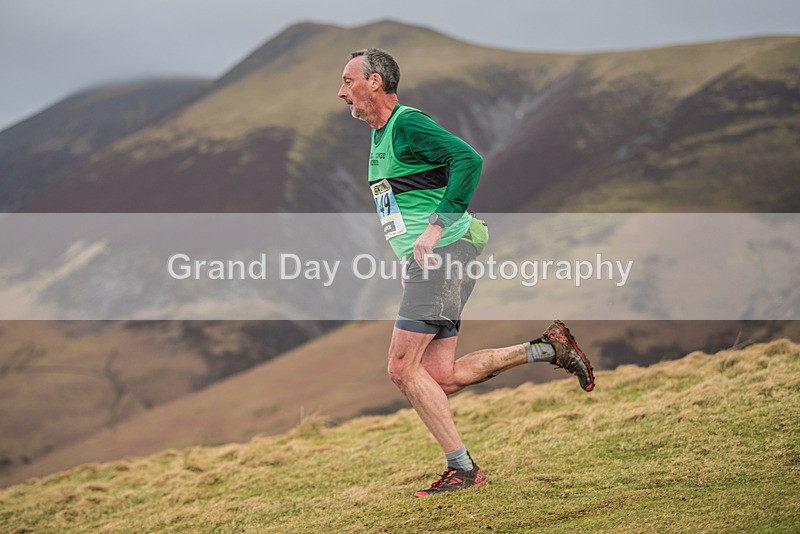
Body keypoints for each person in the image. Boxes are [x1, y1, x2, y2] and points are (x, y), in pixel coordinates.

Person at [338, 48, 595, 497]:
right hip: (437, 257)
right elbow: (402, 208)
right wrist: (409, 257)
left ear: (374, 82)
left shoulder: (408, 124)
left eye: (347, 81)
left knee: (401, 368)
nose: (341, 92)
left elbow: (468, 160)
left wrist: (435, 231)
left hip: (446, 251)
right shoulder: (380, 137)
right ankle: (549, 348)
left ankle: (465, 470)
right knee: (440, 378)